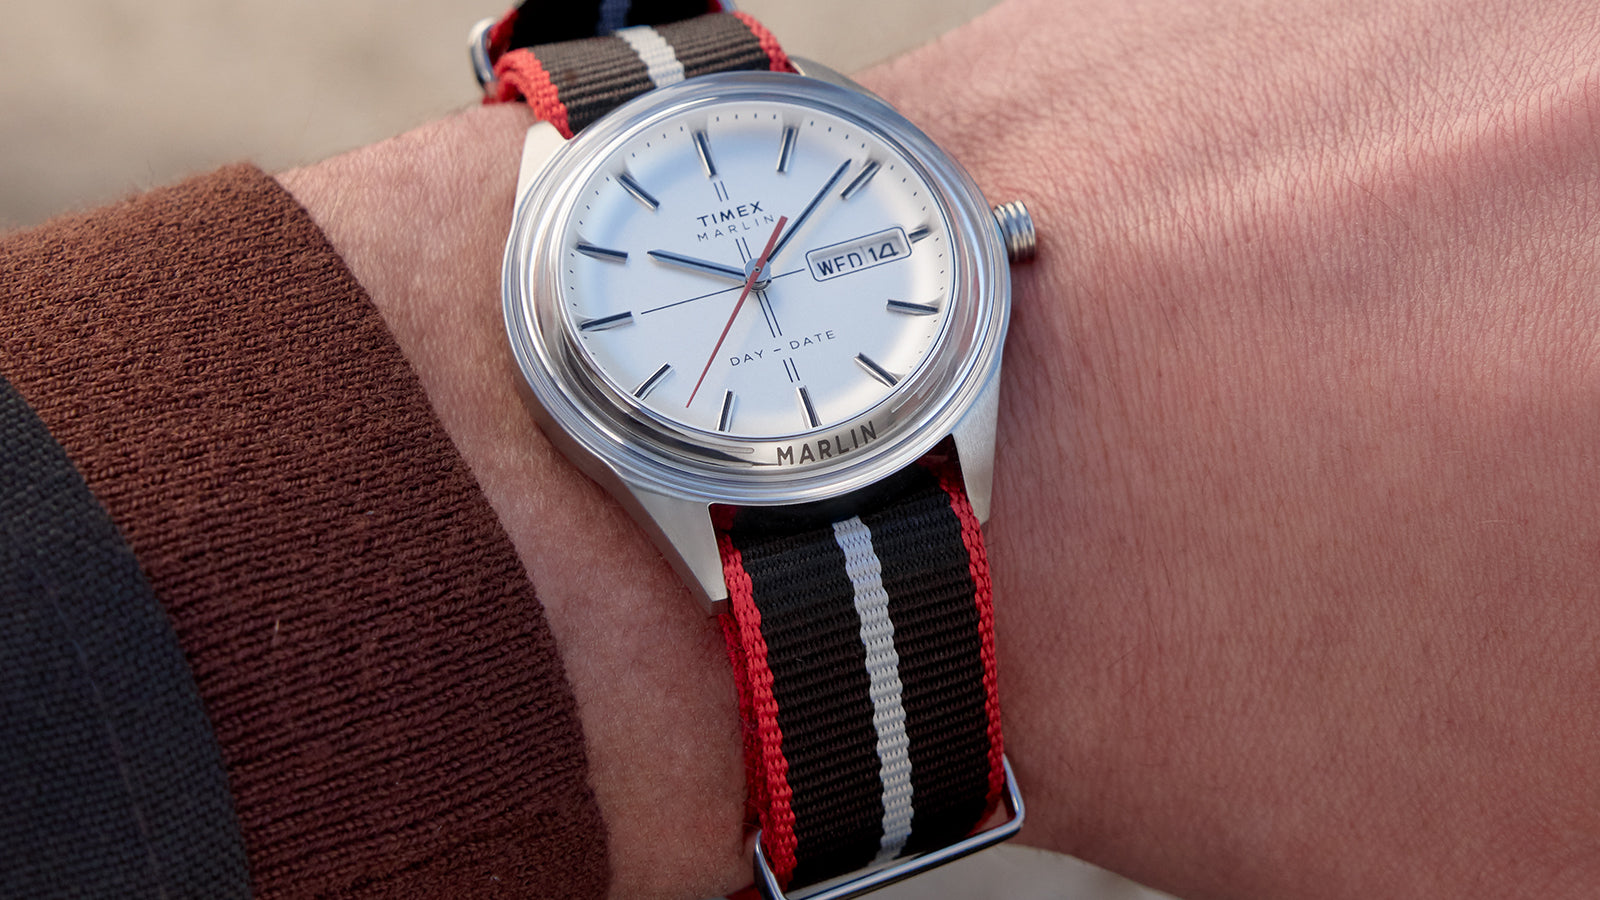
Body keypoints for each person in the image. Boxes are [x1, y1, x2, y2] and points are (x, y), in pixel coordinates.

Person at [6, 0, 1600, 897]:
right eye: (730, 263)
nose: (753, 271)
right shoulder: (600, 358)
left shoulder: (930, 276)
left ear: (994, 232)